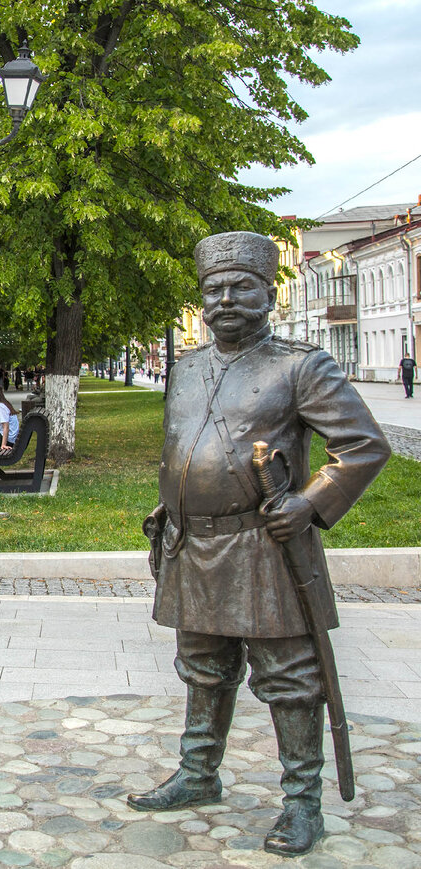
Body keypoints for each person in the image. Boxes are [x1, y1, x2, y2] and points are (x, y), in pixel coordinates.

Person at [130, 232, 389, 857]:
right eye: (212, 290)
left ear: (267, 293)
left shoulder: (302, 365)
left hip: (263, 548)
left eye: (239, 286)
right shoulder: (187, 367)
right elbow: (186, 445)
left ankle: (302, 802)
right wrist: (174, 500)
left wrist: (310, 502)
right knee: (202, 667)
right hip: (193, 544)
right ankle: (198, 773)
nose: (223, 300)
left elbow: (362, 446)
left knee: (291, 679)